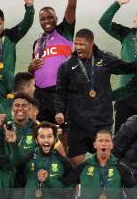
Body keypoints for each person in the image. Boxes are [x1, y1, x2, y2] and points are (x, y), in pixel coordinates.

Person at [55, 28, 137, 166]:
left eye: (82, 44)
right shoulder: (67, 66)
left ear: (91, 44)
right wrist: (59, 111)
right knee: (76, 165)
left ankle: (103, 187)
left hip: (101, 122)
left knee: (105, 163)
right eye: (76, 44)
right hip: (77, 124)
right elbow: (61, 92)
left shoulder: (105, 59)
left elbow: (127, 68)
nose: (78, 47)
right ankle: (78, 187)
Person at [28, 0, 78, 124]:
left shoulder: (64, 31)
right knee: (43, 130)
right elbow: (34, 69)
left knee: (63, 129)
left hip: (60, 91)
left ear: (56, 18)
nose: (47, 21)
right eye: (43, 18)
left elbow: (72, 5)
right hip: (41, 94)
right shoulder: (37, 43)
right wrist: (30, 68)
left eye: (50, 17)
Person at [99, 0, 137, 132]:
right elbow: (104, 22)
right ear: (135, 21)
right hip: (125, 95)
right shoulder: (126, 33)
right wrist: (118, 3)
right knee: (122, 137)